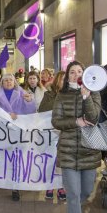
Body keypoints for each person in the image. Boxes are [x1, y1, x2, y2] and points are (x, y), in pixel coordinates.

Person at [51, 61, 101, 213]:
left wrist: (86, 98)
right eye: (72, 72)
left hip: (89, 150)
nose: (76, 75)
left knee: (86, 191)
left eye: (80, 71)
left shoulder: (94, 93)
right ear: (67, 76)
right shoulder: (61, 95)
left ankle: (74, 211)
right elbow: (56, 122)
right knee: (73, 193)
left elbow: (94, 117)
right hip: (68, 150)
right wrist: (75, 122)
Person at [0, 73, 37, 201]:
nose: (8, 82)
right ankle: (8, 180)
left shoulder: (22, 93)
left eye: (10, 80)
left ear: (14, 81)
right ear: (2, 82)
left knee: (17, 157)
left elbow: (30, 111)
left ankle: (15, 186)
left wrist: (29, 101)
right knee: (6, 157)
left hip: (18, 130)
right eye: (5, 80)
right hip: (4, 130)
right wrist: (7, 115)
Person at [38, 70, 67, 200]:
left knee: (62, 160)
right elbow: (41, 110)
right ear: (56, 81)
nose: (63, 82)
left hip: (65, 132)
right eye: (61, 79)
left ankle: (61, 187)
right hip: (50, 132)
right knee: (50, 158)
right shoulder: (48, 94)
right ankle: (49, 185)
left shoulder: (72, 95)